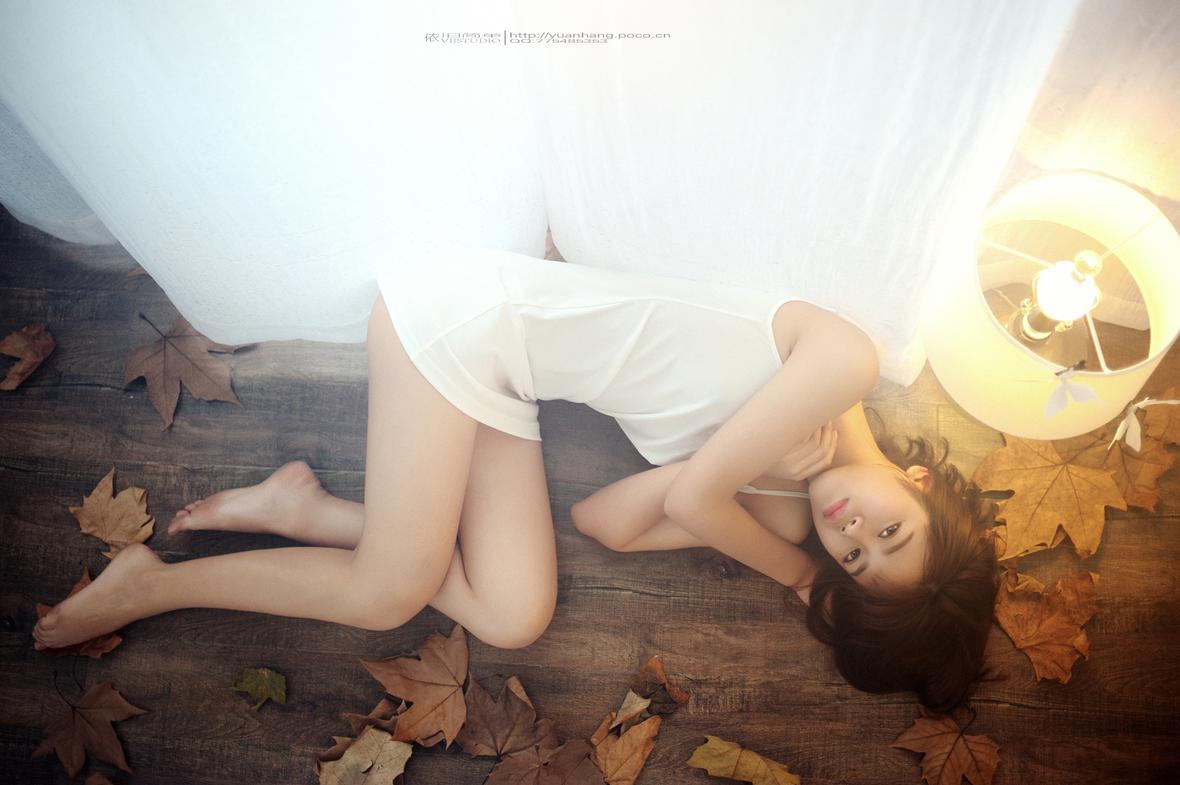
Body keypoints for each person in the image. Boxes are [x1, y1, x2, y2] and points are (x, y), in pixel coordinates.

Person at [31, 245, 996, 711]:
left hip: (509, 381)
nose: (850, 530)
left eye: (857, 560)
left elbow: (607, 520)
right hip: (468, 319)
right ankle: (153, 585)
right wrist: (796, 568)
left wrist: (738, 468)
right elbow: (693, 502)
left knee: (515, 613)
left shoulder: (781, 513)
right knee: (389, 591)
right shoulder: (844, 367)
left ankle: (308, 508)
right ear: (919, 481)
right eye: (891, 529)